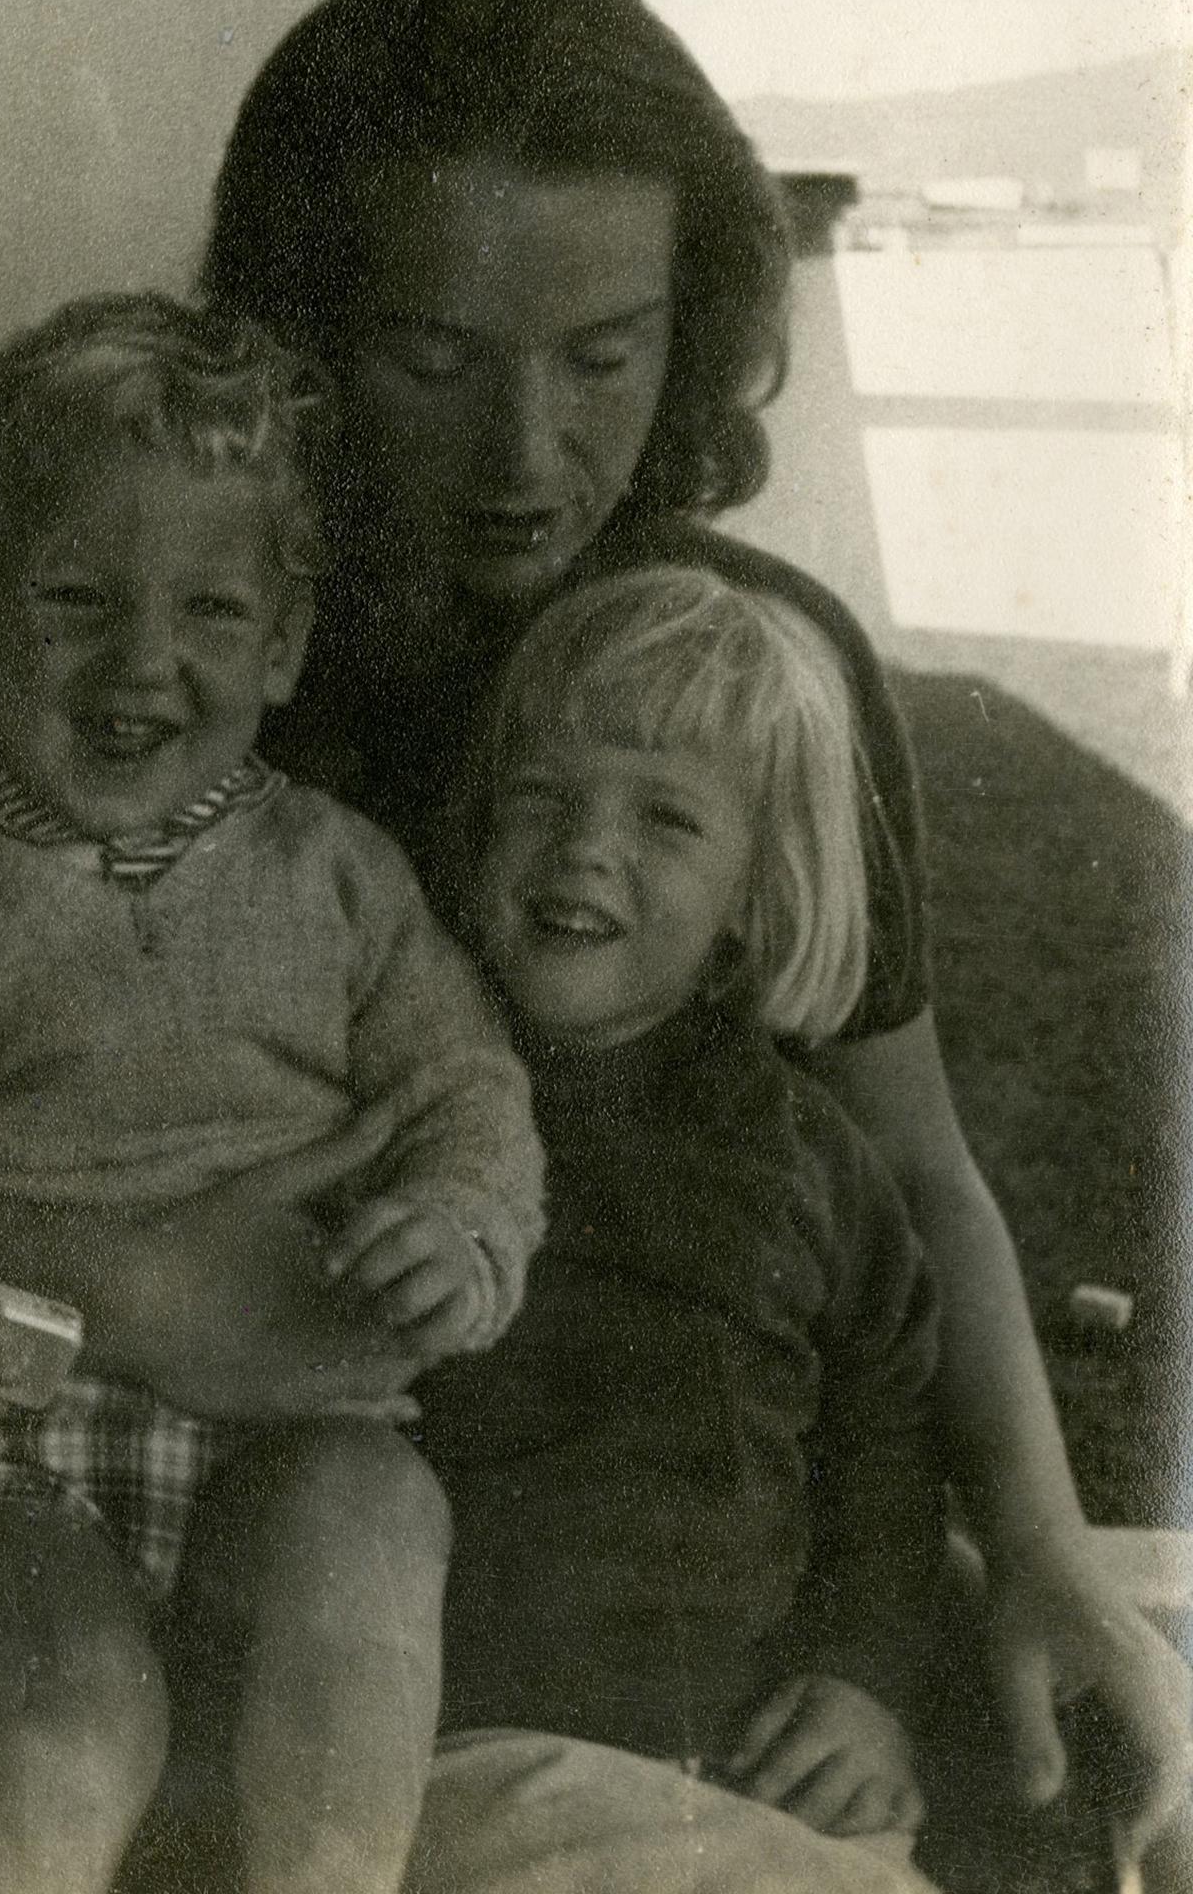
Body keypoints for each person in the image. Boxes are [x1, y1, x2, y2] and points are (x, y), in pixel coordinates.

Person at [0, 0, 1185, 1882]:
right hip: (248, 1602)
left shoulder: (755, 660)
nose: (530, 447)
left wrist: (1051, 1550)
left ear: (698, 326)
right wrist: (123, 1290)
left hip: (695, 1580)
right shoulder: (138, 696)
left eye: (607, 357)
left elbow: (916, 1177)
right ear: (305, 328)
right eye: (436, 357)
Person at [0, 294, 545, 1894]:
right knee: (75, 1720)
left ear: (283, 641)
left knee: (377, 1527)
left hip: (295, 1418)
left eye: (211, 610)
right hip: (2, 1437)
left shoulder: (345, 879)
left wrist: (460, 1223)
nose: (145, 662)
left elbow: (467, 1091)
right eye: (75, 597)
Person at [422, 564, 945, 1885]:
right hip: (477, 1750)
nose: (585, 845)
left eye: (665, 818)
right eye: (542, 796)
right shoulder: (411, 1102)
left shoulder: (809, 1164)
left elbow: (887, 1453)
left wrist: (866, 1683)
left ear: (753, 900)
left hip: (752, 1770)